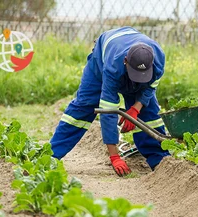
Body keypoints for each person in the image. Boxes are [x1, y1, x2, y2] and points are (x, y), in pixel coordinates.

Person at [50, 26, 170, 176]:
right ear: (126, 61)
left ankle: (159, 161)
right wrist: (114, 156)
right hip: (101, 61)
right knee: (83, 107)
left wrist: (136, 108)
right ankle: (51, 156)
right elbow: (108, 112)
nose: (138, 80)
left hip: (130, 55)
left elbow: (150, 87)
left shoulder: (158, 59)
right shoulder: (113, 67)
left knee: (148, 112)